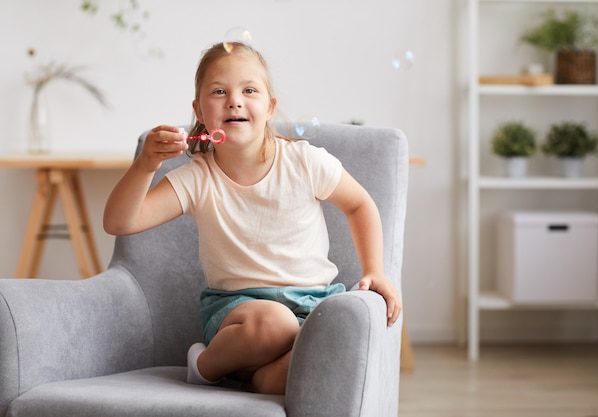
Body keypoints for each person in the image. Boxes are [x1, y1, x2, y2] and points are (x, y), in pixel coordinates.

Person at [103, 41, 402, 395]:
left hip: (312, 307)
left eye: (249, 90)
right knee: (276, 323)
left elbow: (360, 205)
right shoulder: (197, 177)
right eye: (219, 91)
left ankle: (255, 379)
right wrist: (145, 166)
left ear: (270, 107)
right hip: (237, 313)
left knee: (317, 356)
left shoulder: (305, 162)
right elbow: (120, 222)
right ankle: (205, 366)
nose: (234, 100)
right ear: (199, 110)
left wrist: (375, 270)